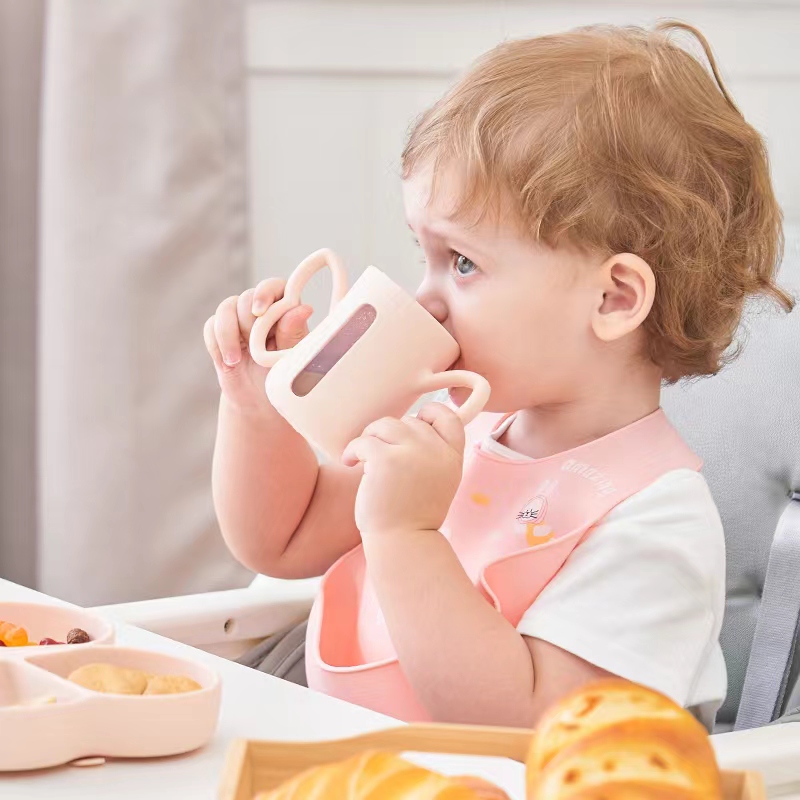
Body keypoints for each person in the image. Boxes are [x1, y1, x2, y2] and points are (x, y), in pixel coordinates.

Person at [204, 21, 793, 730]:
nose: (425, 297)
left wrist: (405, 537)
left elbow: (526, 726)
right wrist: (251, 405)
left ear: (613, 300)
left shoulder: (654, 523)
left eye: (462, 263)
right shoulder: (462, 429)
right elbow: (282, 538)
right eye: (424, 254)